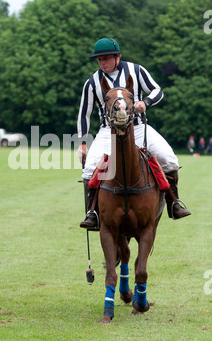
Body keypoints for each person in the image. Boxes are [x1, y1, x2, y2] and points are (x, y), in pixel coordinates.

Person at [77, 37, 191, 228]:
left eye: (106, 58)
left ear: (117, 57)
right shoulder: (92, 83)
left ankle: (174, 204)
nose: (102, 62)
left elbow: (157, 91)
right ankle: (93, 214)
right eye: (99, 59)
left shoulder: (136, 71)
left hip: (138, 127)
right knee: (89, 169)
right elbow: (84, 114)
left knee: (169, 159)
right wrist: (82, 143)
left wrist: (144, 103)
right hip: (108, 132)